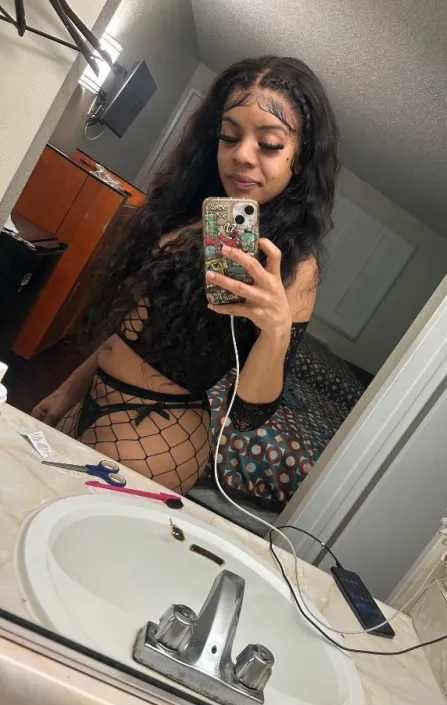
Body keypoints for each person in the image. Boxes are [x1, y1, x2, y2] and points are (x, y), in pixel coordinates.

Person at [32, 56, 340, 495]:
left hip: (157, 437)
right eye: (229, 136)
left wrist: (275, 331)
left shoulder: (295, 263)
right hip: (89, 398)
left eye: (269, 144)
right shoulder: (193, 215)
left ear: (300, 157)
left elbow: (249, 413)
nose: (242, 155)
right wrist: (69, 388)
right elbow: (126, 328)